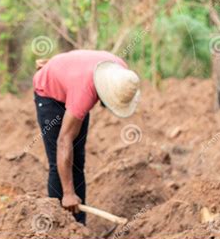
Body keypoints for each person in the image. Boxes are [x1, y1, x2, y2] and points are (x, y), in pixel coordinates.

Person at [33, 50, 140, 224]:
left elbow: (80, 61)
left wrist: (60, 69)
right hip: (49, 94)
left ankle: (78, 226)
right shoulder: (84, 93)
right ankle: (57, 227)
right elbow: (63, 140)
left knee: (77, 161)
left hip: (73, 84)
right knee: (57, 162)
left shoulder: (123, 75)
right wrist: (67, 193)